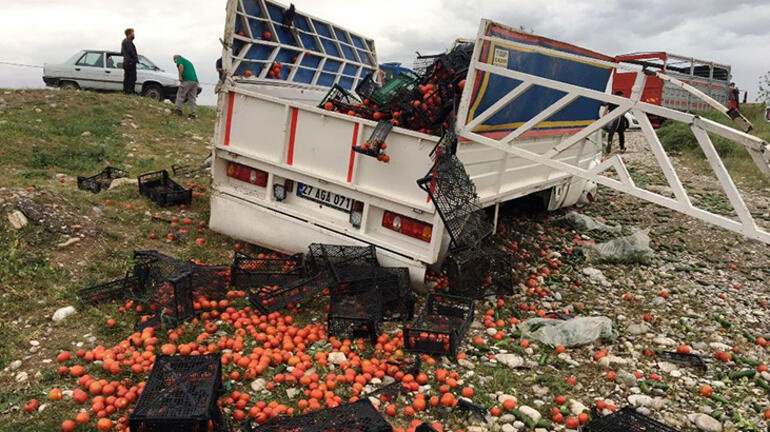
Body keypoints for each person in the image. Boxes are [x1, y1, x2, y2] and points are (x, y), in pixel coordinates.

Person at [172, 54, 199, 119]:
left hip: (187, 80)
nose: (175, 62)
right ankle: (193, 114)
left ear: (175, 58)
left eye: (174, 61)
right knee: (192, 98)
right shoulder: (188, 62)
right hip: (195, 81)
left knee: (180, 94)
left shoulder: (180, 59)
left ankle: (178, 110)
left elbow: (181, 66)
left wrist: (180, 76)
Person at [121, 28, 138, 94]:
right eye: (133, 33)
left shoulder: (125, 41)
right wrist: (135, 59)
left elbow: (122, 52)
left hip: (127, 62)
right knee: (131, 78)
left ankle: (127, 91)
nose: (134, 34)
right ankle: (129, 91)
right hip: (130, 62)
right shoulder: (128, 42)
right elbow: (131, 52)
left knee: (128, 77)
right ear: (129, 34)